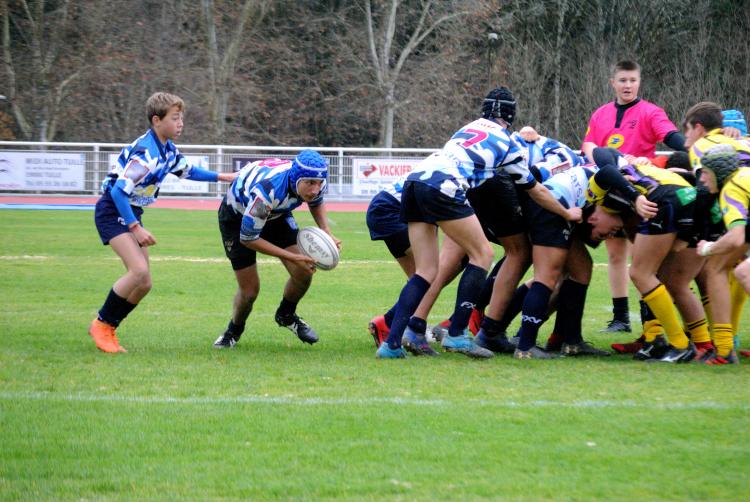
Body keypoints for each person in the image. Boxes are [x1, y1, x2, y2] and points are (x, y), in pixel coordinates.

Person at [375, 86, 581, 359]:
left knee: (425, 270)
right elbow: (537, 190)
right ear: (511, 116)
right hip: (444, 186)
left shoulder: (467, 127)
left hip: (415, 181)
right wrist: (567, 214)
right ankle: (458, 334)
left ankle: (394, 342)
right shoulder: (508, 143)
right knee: (483, 253)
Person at [89, 92, 238, 353]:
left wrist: (224, 177)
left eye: (182, 118)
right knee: (138, 272)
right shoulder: (147, 153)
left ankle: (109, 327)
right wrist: (135, 227)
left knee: (144, 284)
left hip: (130, 211)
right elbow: (118, 191)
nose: (181, 124)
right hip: (113, 211)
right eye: (175, 118)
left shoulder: (167, 149)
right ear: (157, 120)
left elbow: (188, 171)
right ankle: (101, 325)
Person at [581, 60, 686, 337]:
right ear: (612, 82)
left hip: (643, 192)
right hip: (613, 195)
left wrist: (693, 144)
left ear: (639, 82)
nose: (628, 85)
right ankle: (620, 318)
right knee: (616, 255)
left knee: (644, 261)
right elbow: (589, 146)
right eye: (623, 80)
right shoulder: (600, 114)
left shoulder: (651, 111)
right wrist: (601, 156)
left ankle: (652, 326)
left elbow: (671, 136)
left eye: (632, 80)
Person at [213, 150, 340, 348]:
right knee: (250, 291)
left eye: (318, 183)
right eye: (310, 183)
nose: (315, 189)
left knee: (304, 272)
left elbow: (316, 202)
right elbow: (248, 238)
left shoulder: (315, 177)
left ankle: (286, 315)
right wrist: (291, 256)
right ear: (297, 178)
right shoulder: (268, 192)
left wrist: (327, 232)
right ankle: (233, 331)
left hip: (276, 215)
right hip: (237, 219)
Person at [509, 165, 624, 359]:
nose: (612, 235)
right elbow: (604, 158)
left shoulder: (605, 187)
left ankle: (571, 341)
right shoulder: (618, 180)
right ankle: (522, 345)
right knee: (546, 278)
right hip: (552, 208)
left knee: (581, 270)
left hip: (553, 206)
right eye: (614, 229)